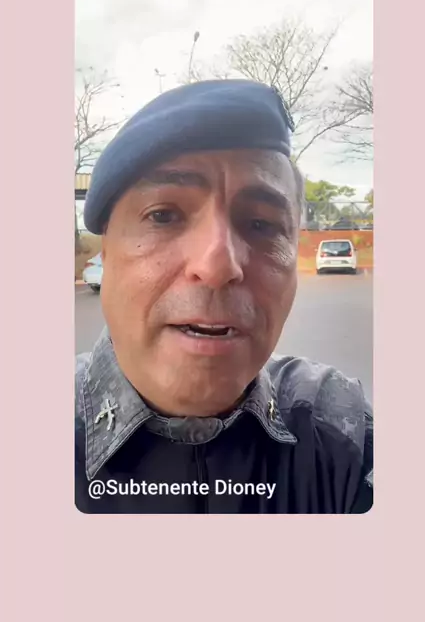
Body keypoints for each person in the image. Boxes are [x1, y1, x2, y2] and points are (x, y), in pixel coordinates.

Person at [75, 79, 373, 514]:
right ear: (106, 252)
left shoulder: (342, 432)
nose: (218, 265)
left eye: (261, 224)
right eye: (164, 215)